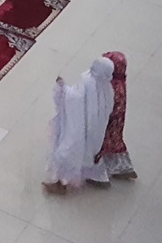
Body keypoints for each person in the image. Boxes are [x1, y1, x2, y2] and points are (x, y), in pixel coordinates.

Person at [44, 56, 115, 192]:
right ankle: (98, 177)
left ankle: (60, 184)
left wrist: (62, 88)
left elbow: (74, 99)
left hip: (79, 127)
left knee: (67, 153)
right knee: (90, 154)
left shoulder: (88, 82)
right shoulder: (108, 89)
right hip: (96, 132)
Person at [97, 52, 136, 180]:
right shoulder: (120, 82)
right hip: (117, 121)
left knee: (102, 144)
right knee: (115, 143)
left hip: (109, 121)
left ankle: (100, 174)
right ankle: (124, 168)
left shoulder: (112, 86)